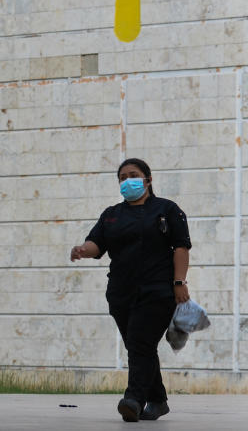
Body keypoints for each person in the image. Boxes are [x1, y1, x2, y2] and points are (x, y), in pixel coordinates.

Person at [69, 157, 191, 423]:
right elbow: (95, 244)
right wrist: (82, 250)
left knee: (139, 343)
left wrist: (179, 282)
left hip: (157, 290)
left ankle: (133, 399)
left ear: (148, 179)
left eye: (133, 175)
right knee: (140, 347)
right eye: (122, 177)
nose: (127, 180)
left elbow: (181, 247)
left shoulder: (167, 209)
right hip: (121, 292)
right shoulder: (112, 214)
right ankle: (158, 400)